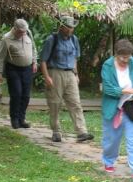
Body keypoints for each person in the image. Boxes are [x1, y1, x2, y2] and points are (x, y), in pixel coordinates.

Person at [40, 15, 94, 143]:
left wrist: (76, 74)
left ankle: (81, 132)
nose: (70, 30)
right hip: (55, 72)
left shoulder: (74, 40)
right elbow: (43, 60)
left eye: (72, 27)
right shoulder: (51, 39)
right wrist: (47, 76)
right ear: (61, 27)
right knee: (55, 103)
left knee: (75, 103)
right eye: (68, 27)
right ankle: (56, 131)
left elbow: (75, 58)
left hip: (70, 73)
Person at [101, 39, 133, 182]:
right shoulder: (108, 66)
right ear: (116, 54)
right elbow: (108, 88)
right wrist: (127, 90)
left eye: (128, 57)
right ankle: (108, 161)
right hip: (114, 109)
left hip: (132, 107)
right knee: (111, 140)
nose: (126, 60)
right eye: (123, 57)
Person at [0, 18, 37, 129]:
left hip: (27, 68)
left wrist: (34, 62)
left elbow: (33, 48)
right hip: (13, 69)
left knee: (26, 96)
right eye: (21, 32)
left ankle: (22, 119)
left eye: (24, 32)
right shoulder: (6, 39)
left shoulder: (28, 33)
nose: (23, 34)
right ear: (15, 29)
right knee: (16, 94)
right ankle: (14, 119)